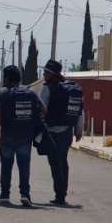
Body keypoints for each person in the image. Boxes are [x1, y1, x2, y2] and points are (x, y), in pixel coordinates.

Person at [0, 66, 44, 207]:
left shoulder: (3, 94)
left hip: (7, 137)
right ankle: (25, 194)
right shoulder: (31, 94)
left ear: (8, 79)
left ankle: (4, 195)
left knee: (6, 166)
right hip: (25, 137)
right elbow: (44, 110)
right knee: (24, 167)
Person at [40, 60, 85, 206]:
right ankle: (61, 193)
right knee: (62, 161)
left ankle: (59, 195)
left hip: (52, 131)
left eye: (46, 72)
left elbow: (42, 109)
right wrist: (79, 130)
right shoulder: (71, 89)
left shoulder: (48, 89)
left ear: (52, 75)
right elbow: (80, 111)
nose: (44, 75)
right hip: (67, 132)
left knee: (55, 163)